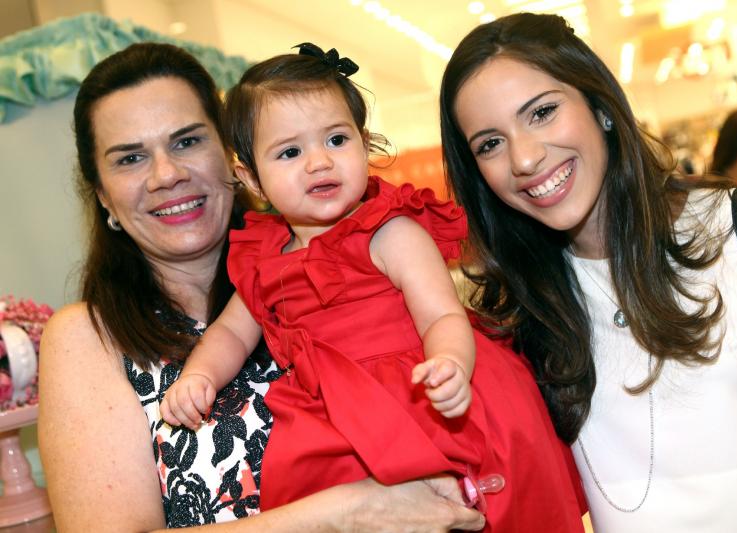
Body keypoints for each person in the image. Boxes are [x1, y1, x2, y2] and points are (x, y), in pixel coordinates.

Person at [37, 41, 486, 532]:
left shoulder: (359, 261)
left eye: (187, 141)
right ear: (102, 194)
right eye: (130, 159)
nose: (167, 175)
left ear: (232, 159)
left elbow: (447, 342)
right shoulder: (88, 337)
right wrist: (344, 515)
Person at [159, 43, 586, 532]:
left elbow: (442, 313)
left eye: (336, 140)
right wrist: (200, 376)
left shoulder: (390, 231)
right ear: (251, 177)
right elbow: (232, 333)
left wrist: (451, 363)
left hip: (419, 391)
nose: (319, 162)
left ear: (364, 145)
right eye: (291, 152)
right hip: (334, 413)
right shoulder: (264, 259)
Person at [440, 12, 737, 533]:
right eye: (490, 144)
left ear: (601, 107)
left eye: (542, 112)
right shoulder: (521, 312)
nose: (525, 158)